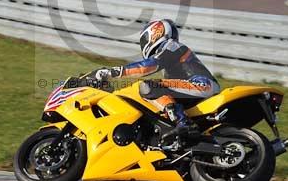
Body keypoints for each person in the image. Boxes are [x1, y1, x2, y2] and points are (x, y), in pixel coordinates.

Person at [89, 19, 220, 143]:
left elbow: (147, 67)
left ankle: (185, 123)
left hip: (201, 85)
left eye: (145, 39)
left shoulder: (172, 46)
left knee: (148, 86)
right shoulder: (171, 56)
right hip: (193, 90)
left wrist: (112, 72)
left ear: (156, 32)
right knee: (155, 96)